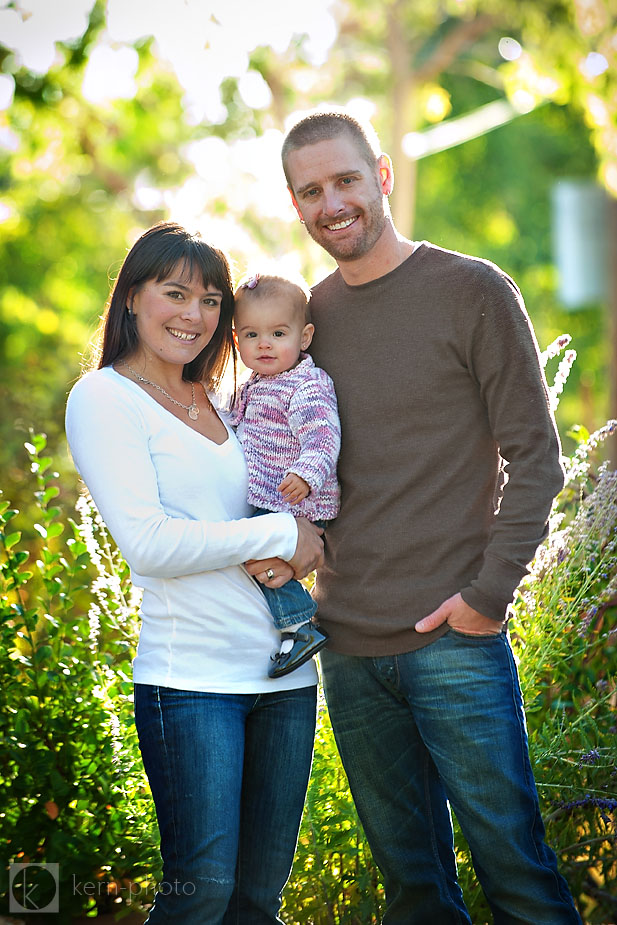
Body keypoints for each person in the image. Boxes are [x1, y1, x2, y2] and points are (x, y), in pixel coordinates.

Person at [278, 111, 583, 924]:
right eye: (310, 191)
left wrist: (486, 599)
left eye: (344, 180)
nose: (331, 202)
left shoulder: (471, 289)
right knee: (413, 896)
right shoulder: (304, 322)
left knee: (516, 878)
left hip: (454, 639)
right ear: (295, 207)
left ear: (380, 175)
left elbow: (537, 457)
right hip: (346, 652)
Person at [65, 221, 324, 924]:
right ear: (131, 299)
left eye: (211, 300)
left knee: (255, 903)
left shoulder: (229, 398)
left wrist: (306, 536)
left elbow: (272, 498)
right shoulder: (103, 398)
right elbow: (148, 542)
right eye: (174, 293)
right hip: (191, 684)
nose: (194, 314)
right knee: (199, 898)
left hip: (286, 679)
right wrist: (282, 533)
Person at [231, 272, 341, 677]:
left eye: (278, 333)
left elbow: (324, 435)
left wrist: (307, 473)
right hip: (275, 498)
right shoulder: (255, 383)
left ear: (305, 336)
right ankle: (294, 628)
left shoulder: (305, 383)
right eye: (251, 334)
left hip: (300, 498)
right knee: (259, 559)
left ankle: (299, 627)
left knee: (259, 556)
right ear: (236, 339)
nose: (264, 344)